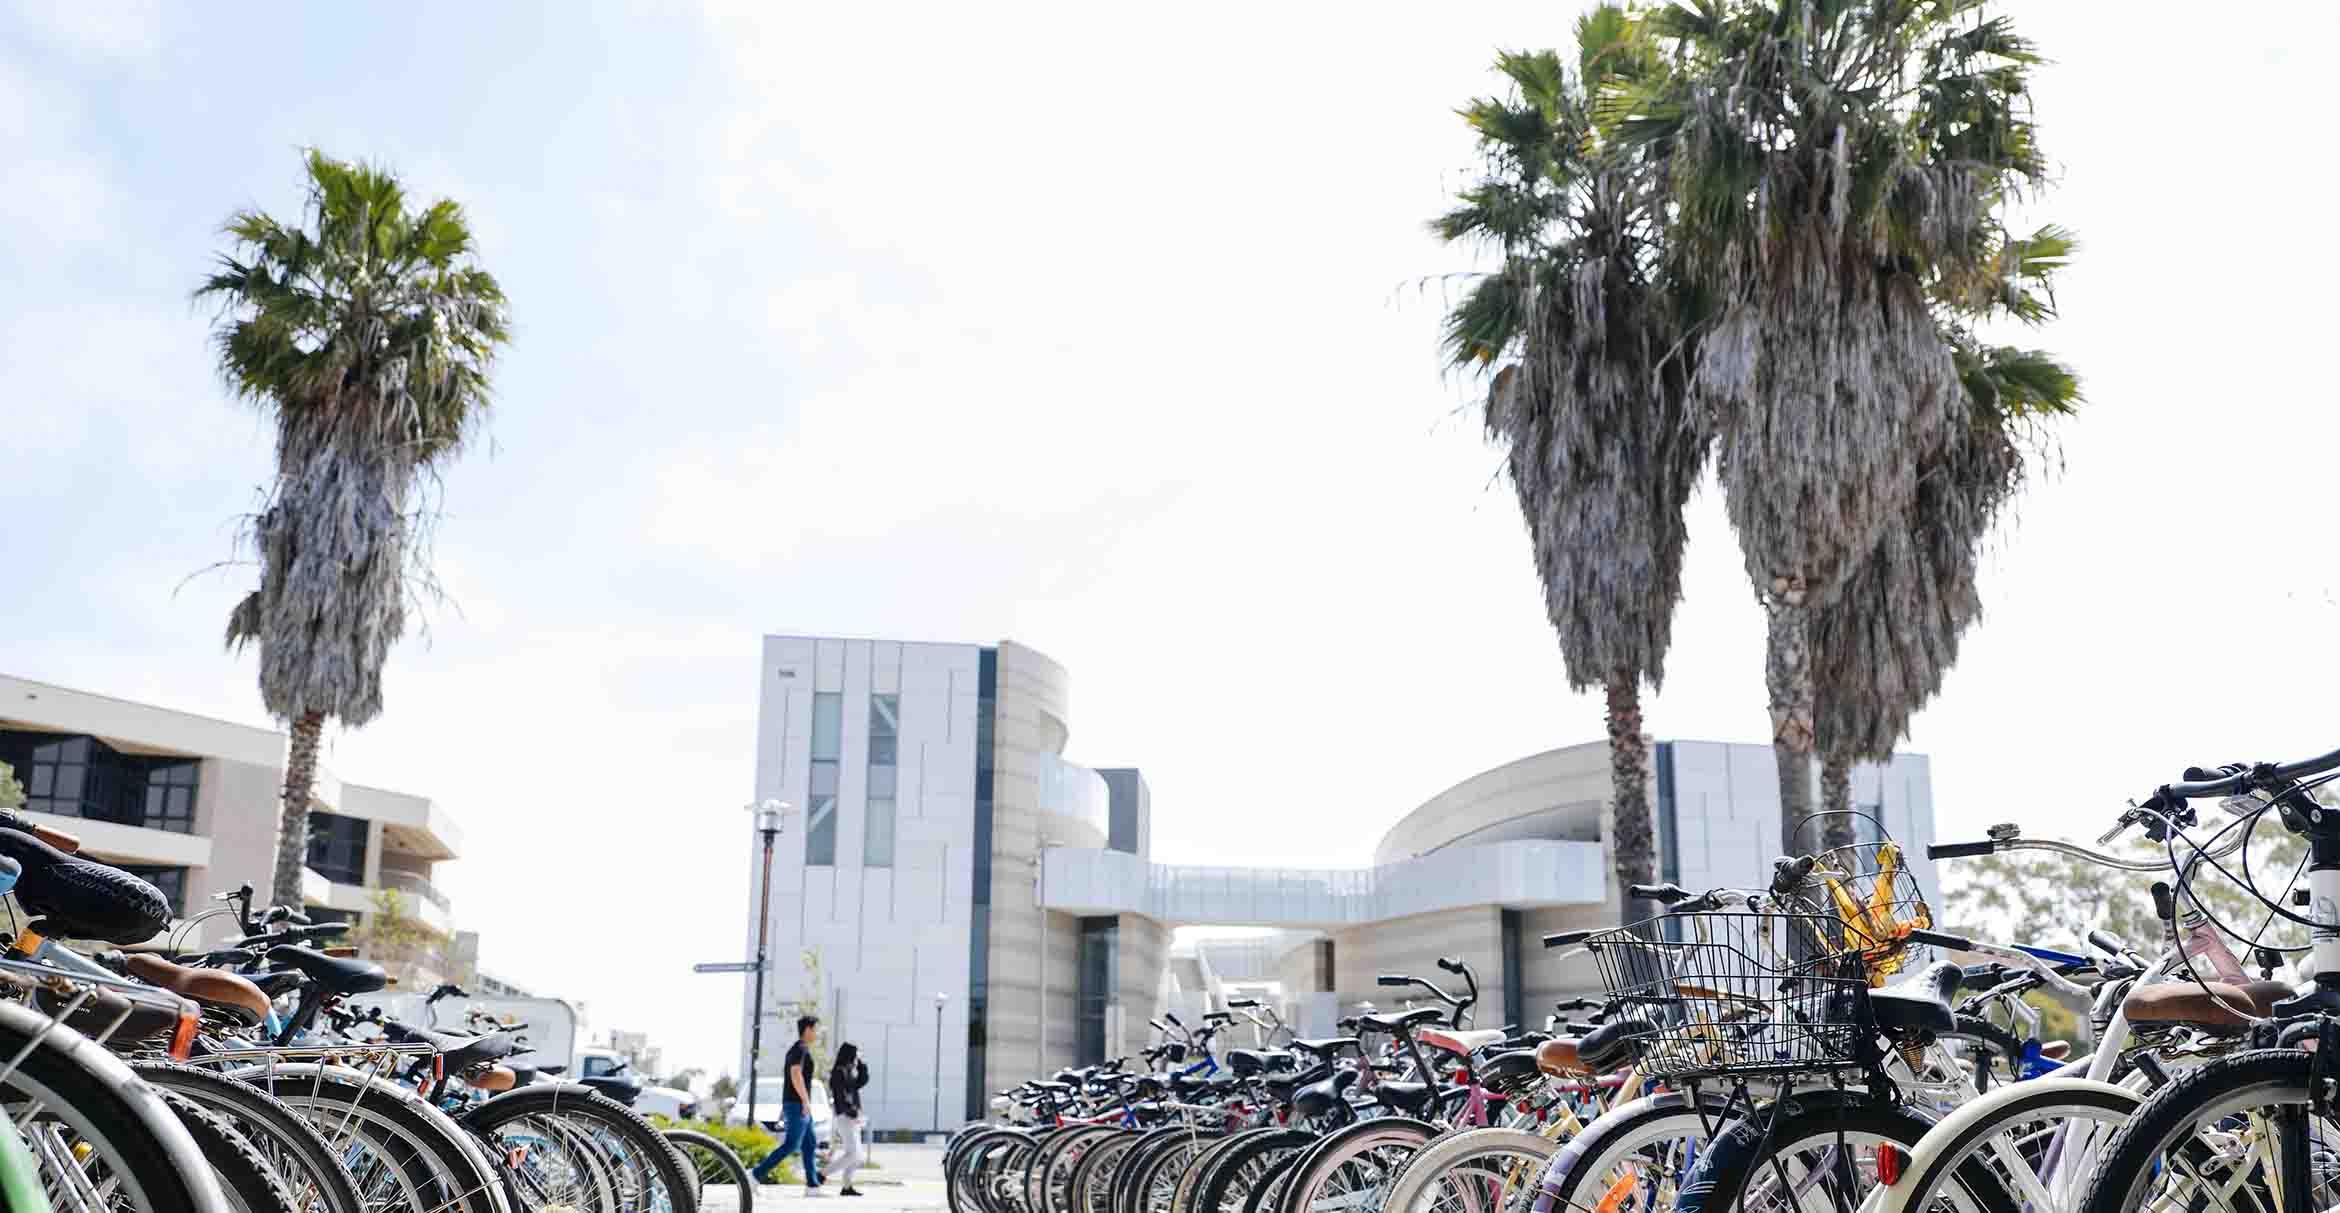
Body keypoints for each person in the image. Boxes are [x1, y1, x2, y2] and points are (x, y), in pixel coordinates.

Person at [750, 1015, 825, 1193]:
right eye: (816, 1030)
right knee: (791, 1144)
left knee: (809, 1143)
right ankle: (754, 1175)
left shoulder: (798, 1049)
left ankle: (813, 1186)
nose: (817, 1034)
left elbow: (791, 1079)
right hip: (798, 1104)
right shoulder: (800, 1049)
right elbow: (795, 1074)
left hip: (797, 1104)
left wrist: (791, 1106)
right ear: (807, 1030)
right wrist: (805, 1101)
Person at [829, 1042, 871, 1197]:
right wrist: (850, 1110)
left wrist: (861, 1064)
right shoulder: (839, 1072)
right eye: (855, 1055)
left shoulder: (848, 1071)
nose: (856, 1058)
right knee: (853, 1154)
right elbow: (840, 1096)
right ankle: (823, 1174)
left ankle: (847, 1186)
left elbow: (862, 1081)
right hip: (845, 1116)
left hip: (852, 1116)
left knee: (857, 1156)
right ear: (849, 1055)